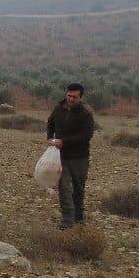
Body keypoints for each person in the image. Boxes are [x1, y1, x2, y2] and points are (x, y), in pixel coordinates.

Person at [46, 83, 96, 228]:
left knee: (78, 188)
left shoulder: (86, 113)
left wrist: (64, 142)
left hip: (79, 158)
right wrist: (50, 138)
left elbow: (86, 135)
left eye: (75, 97)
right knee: (63, 187)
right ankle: (67, 219)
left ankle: (79, 217)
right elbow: (50, 123)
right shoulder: (58, 109)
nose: (71, 99)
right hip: (60, 157)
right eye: (69, 95)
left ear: (80, 97)